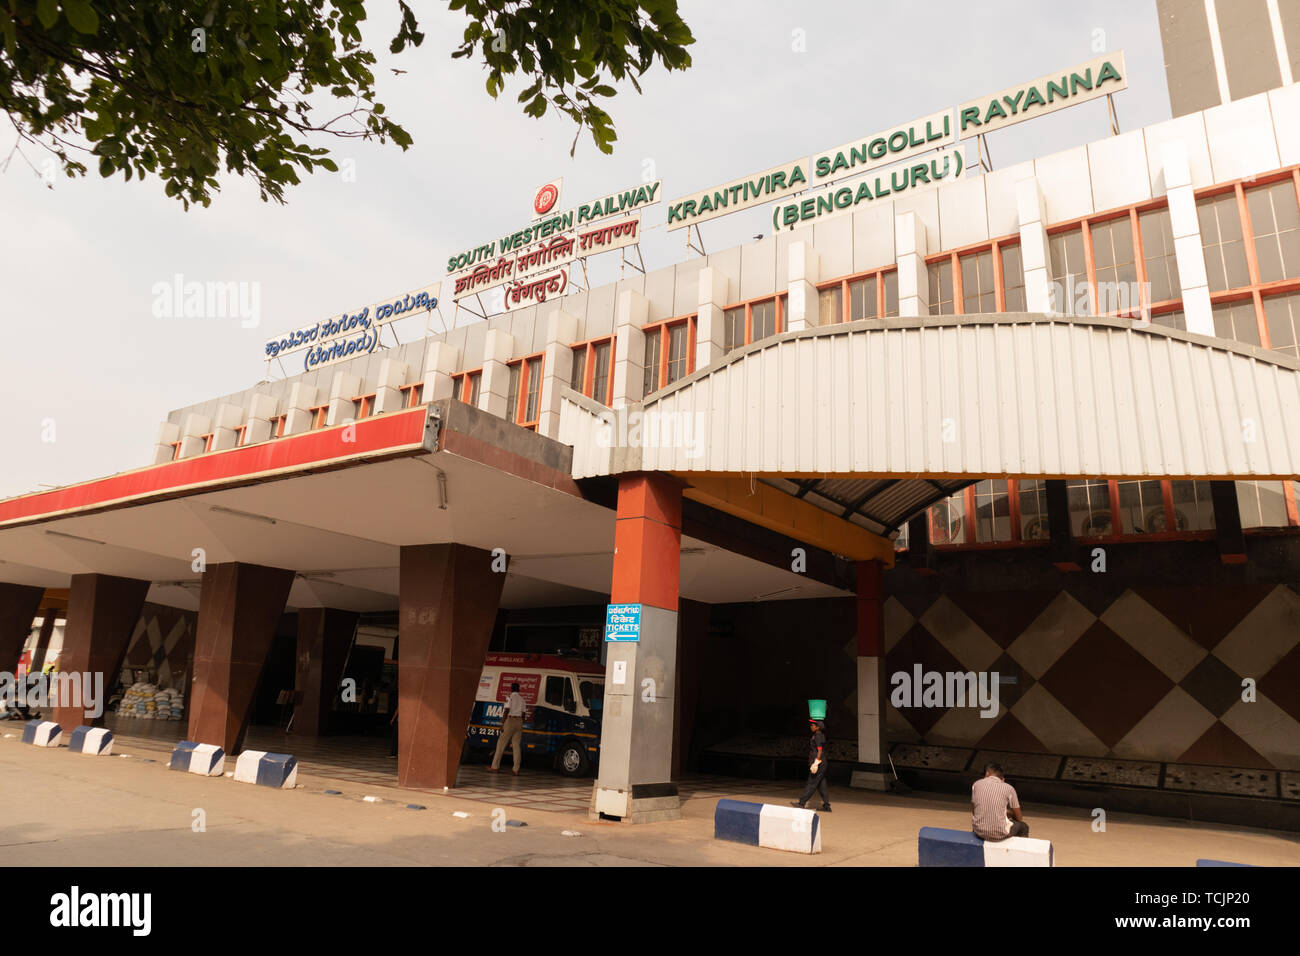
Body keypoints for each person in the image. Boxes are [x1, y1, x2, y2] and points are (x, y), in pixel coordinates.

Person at [971, 762, 1029, 840]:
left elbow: (974, 811)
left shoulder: (976, 784)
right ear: (1002, 779)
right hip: (999, 834)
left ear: (987, 773)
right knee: (1023, 826)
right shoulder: (1009, 788)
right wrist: (1010, 813)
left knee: (979, 820)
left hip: (978, 831)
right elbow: (1019, 818)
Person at [791, 717, 831, 812]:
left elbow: (820, 750)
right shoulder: (819, 735)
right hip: (822, 763)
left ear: (817, 727)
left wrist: (816, 762)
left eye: (812, 725)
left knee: (812, 782)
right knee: (822, 784)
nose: (811, 726)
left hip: (819, 763)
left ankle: (802, 803)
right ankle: (826, 806)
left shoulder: (817, 736)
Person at [488, 682, 526, 775]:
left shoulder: (510, 698)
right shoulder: (522, 700)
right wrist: (520, 723)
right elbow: (524, 714)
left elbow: (506, 710)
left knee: (501, 744)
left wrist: (502, 724)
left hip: (510, 720)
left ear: (511, 689)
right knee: (516, 746)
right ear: (519, 689)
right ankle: (516, 769)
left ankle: (495, 767)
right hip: (519, 721)